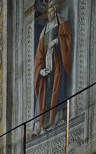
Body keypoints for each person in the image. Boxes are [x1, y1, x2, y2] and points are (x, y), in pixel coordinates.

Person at [33, 0, 72, 130]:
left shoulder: (62, 23)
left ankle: (59, 118)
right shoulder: (43, 33)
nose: (49, 14)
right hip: (47, 70)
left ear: (55, 12)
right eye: (47, 12)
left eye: (51, 11)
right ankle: (40, 125)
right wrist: (40, 70)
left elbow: (67, 38)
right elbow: (39, 54)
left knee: (58, 89)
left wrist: (57, 41)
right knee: (44, 93)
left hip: (58, 66)